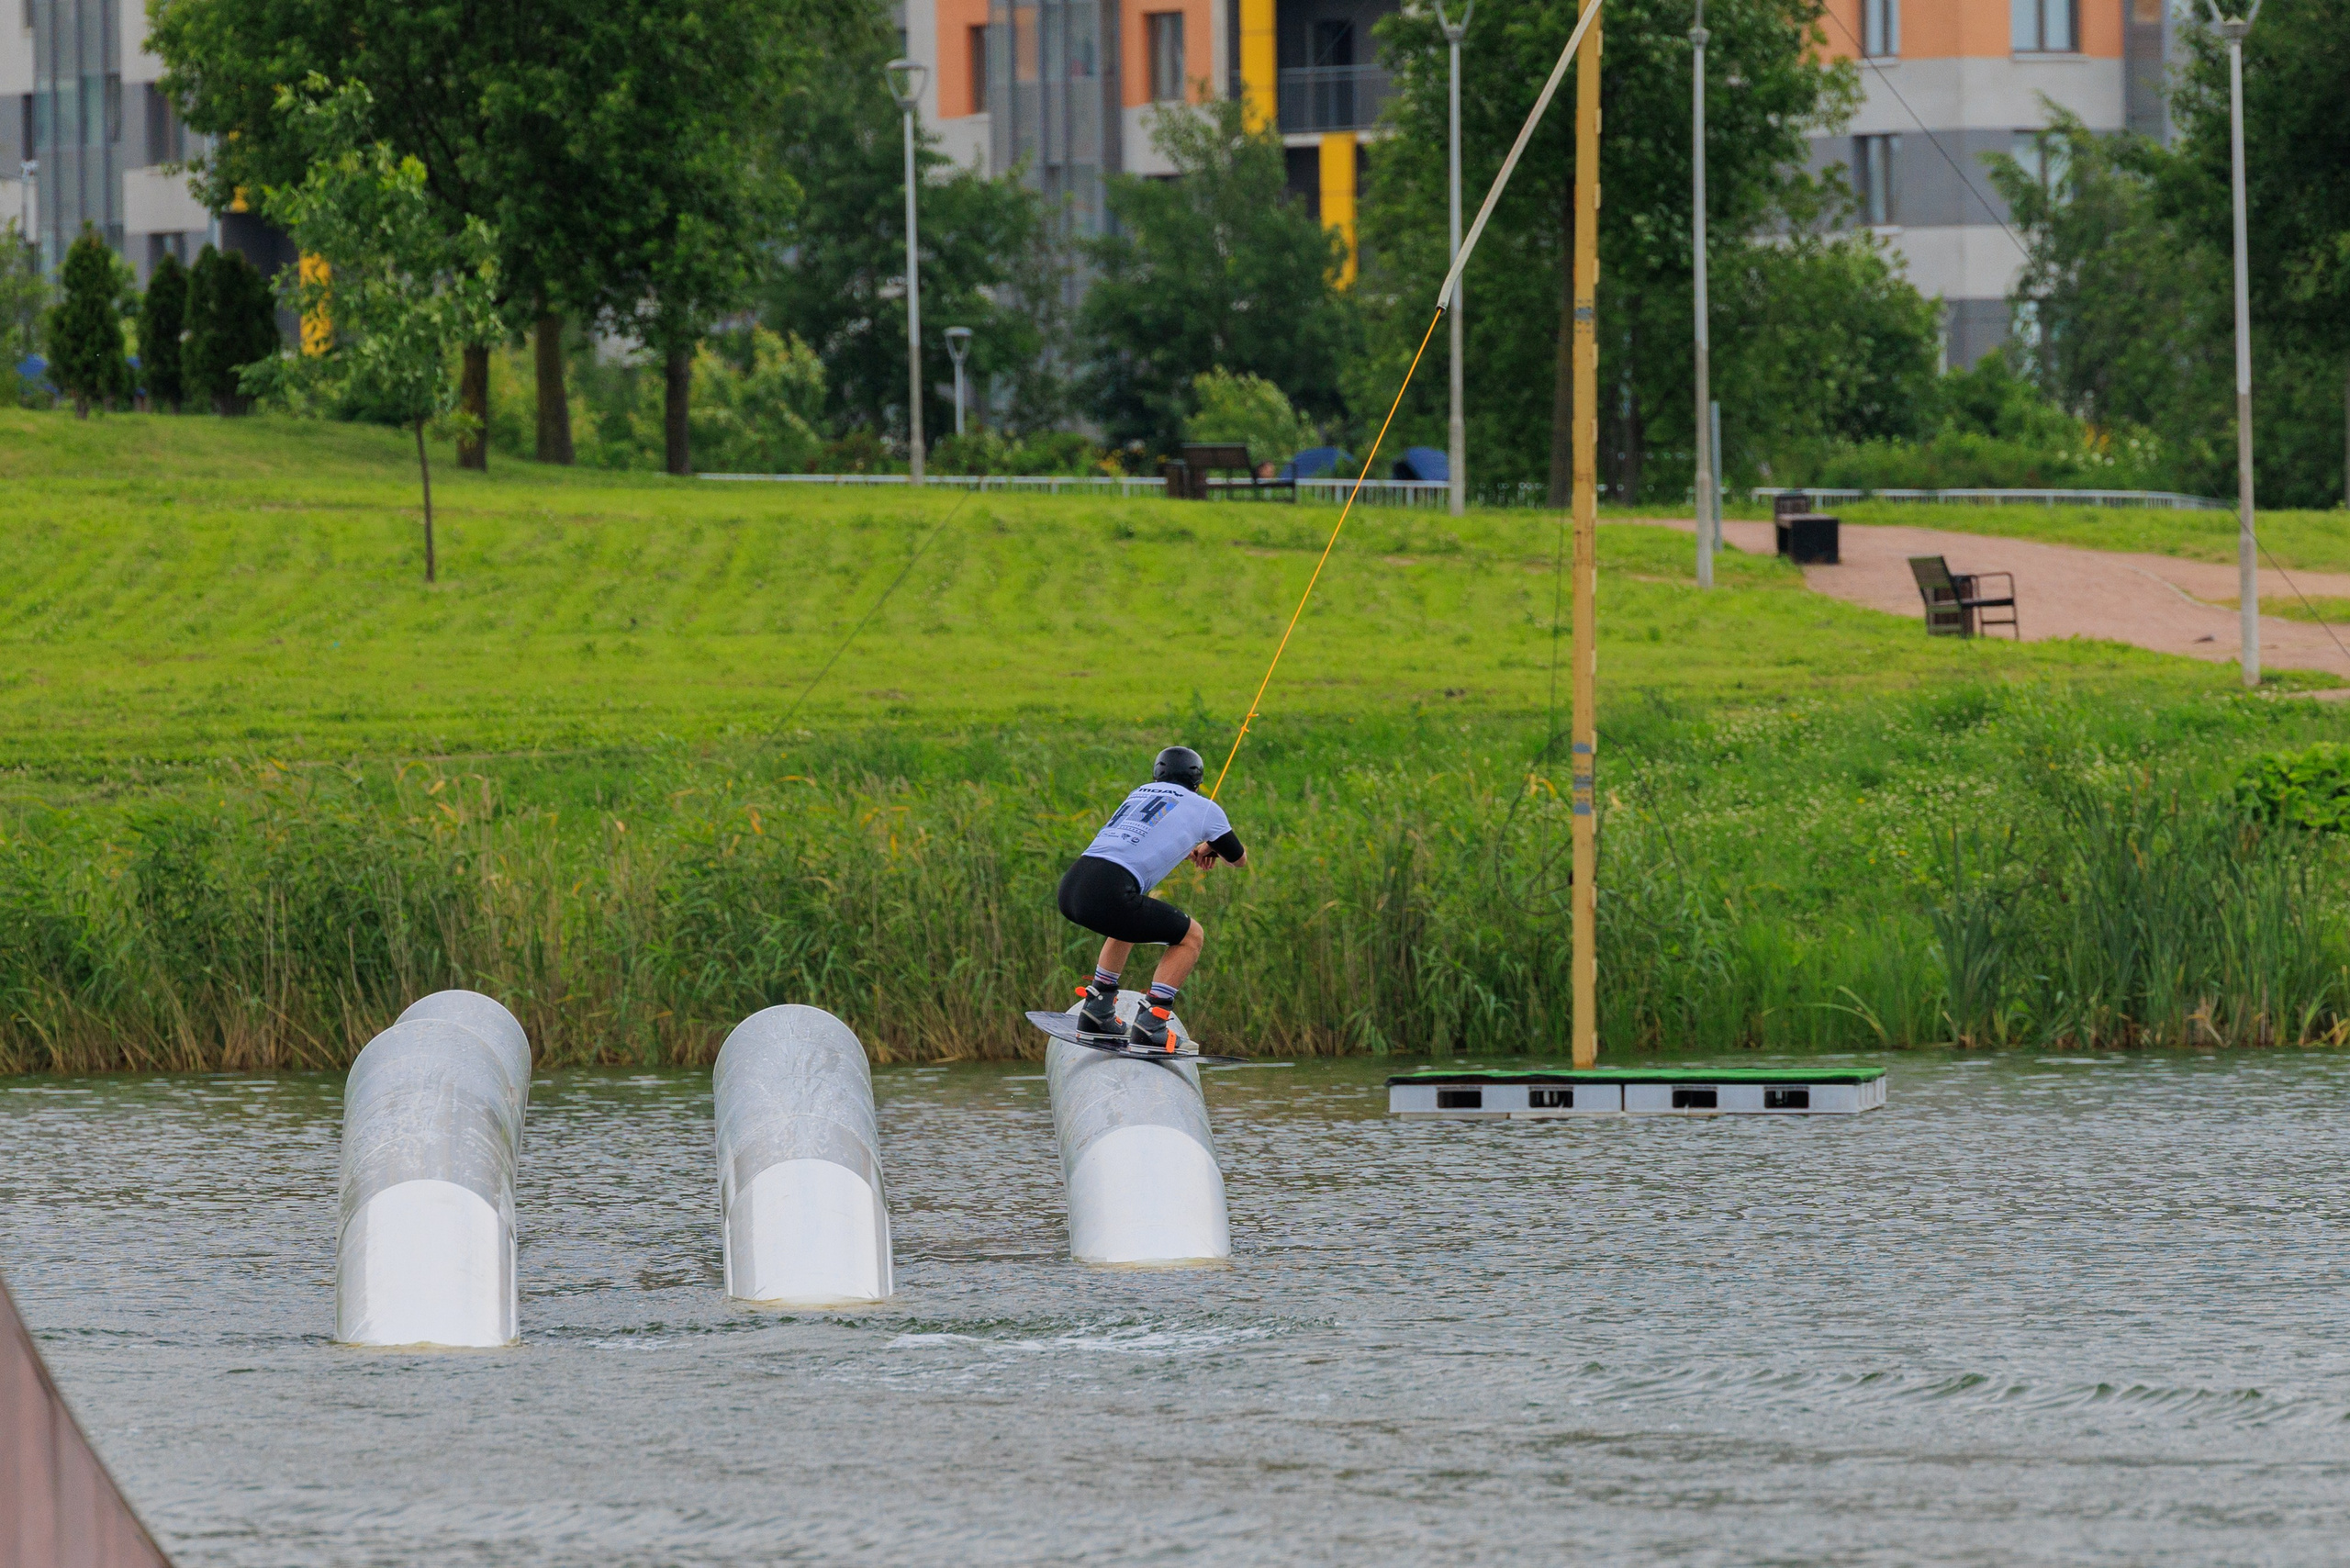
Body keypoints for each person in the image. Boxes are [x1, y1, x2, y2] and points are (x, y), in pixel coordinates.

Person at [1057, 745, 1248, 1050]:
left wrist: (1193, 846)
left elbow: (1148, 834)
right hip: (1110, 891)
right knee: (1191, 936)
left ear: (1157, 774)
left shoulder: (1140, 793)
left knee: (1126, 921)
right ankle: (1152, 1026)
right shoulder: (1206, 808)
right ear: (1197, 781)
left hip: (1072, 886)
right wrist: (1211, 845)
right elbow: (1238, 859)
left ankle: (1097, 1012)